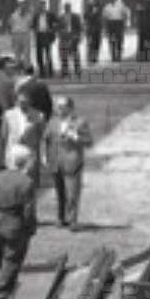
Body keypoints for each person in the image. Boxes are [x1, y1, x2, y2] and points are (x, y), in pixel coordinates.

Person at [0, 144, 41, 299]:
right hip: (16, 225)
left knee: (1, 257)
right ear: (25, 162)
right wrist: (31, 228)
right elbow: (28, 211)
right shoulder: (26, 182)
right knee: (12, 259)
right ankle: (1, 293)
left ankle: (7, 283)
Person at [46, 96, 94, 231]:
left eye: (62, 106)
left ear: (70, 108)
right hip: (56, 161)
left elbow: (89, 142)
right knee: (59, 192)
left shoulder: (80, 122)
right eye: (57, 106)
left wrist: (76, 138)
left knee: (72, 193)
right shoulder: (52, 122)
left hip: (72, 162)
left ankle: (72, 220)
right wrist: (46, 156)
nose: (59, 109)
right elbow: (47, 139)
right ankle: (61, 218)